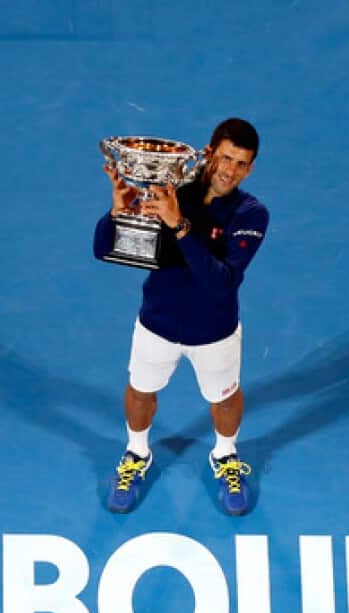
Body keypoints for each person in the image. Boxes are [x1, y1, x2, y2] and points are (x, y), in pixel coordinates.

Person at [93, 118, 269, 515]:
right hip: (157, 323)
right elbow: (106, 251)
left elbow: (220, 282)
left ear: (251, 168)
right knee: (140, 392)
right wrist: (117, 216)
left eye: (242, 164)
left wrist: (178, 225)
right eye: (225, 158)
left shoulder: (251, 214)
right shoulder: (170, 192)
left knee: (223, 400)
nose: (230, 170)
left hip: (215, 332)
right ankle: (137, 452)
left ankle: (225, 456)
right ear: (208, 154)